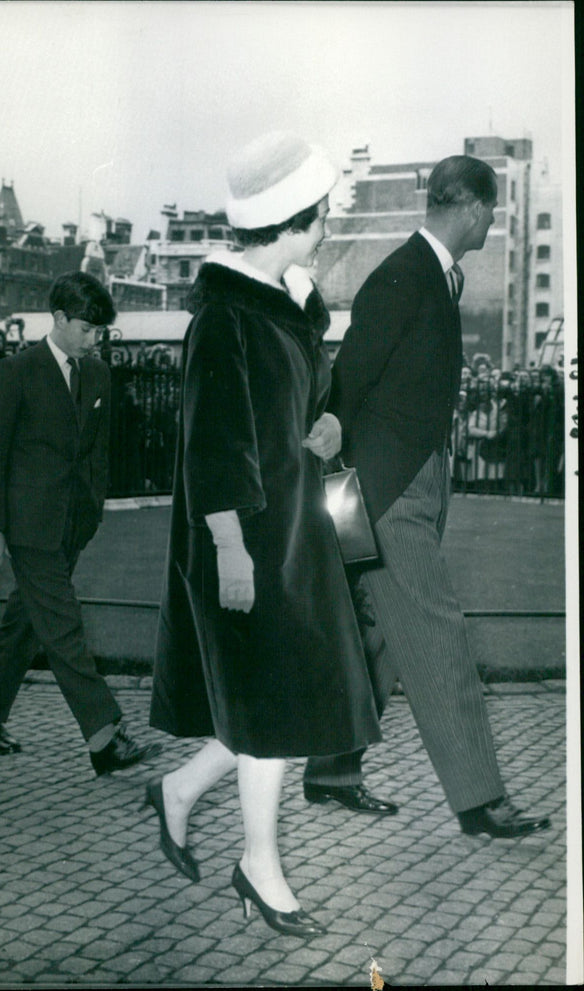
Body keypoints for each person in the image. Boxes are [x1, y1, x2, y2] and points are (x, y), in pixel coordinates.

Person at [148, 131, 381, 937]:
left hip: (286, 534)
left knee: (276, 702)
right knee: (275, 704)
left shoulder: (273, 302)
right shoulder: (225, 317)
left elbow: (288, 406)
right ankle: (258, 864)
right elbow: (213, 441)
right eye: (317, 219)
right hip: (245, 541)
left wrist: (319, 424)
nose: (324, 231)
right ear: (288, 219)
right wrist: (227, 549)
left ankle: (179, 792)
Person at [302, 155, 551, 839]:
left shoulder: (431, 275)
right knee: (438, 632)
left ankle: (331, 768)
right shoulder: (406, 275)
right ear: (470, 206)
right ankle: (481, 800)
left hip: (399, 481)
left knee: (377, 635)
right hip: (390, 491)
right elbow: (351, 371)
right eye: (492, 209)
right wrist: (336, 435)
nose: (494, 220)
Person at [0, 271, 162, 776]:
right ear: (57, 319)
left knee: (25, 621)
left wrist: (92, 507)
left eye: (100, 331)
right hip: (27, 526)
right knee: (62, 625)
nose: (94, 340)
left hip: (73, 522)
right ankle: (103, 737)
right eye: (86, 329)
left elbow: (97, 452)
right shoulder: (16, 371)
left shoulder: (97, 375)